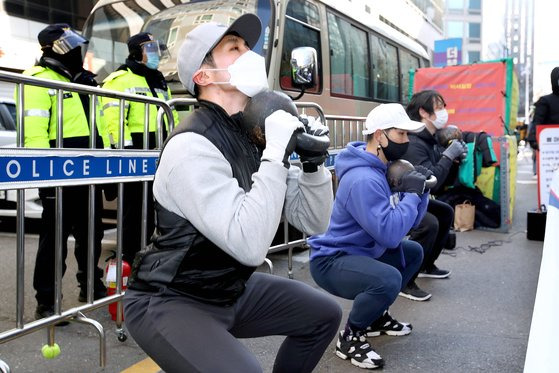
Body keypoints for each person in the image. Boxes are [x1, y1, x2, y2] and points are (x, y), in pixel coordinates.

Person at [122, 14, 342, 373]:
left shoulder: (252, 133)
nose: (249, 54)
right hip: (171, 299)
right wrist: (274, 154)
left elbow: (314, 222)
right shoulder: (192, 145)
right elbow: (248, 244)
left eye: (247, 47)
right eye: (234, 48)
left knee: (323, 315)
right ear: (203, 76)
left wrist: (314, 165)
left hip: (227, 289)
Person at [308, 103, 428, 370]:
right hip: (332, 261)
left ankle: (375, 318)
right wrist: (410, 194)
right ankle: (351, 336)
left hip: (361, 251)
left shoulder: (383, 168)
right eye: (401, 134)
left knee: (413, 253)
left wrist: (421, 192)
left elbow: (412, 223)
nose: (406, 141)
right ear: (379, 135)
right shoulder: (364, 179)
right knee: (388, 279)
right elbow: (391, 234)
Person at [20, 24, 107, 321]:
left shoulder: (86, 81)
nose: (76, 52)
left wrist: (107, 167)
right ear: (52, 48)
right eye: (69, 46)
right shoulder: (38, 80)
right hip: (60, 172)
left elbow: (101, 126)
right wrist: (45, 177)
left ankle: (90, 285)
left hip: (90, 170)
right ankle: (47, 300)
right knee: (54, 238)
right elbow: (34, 132)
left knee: (92, 233)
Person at [101, 32, 179, 264]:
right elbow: (114, 120)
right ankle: (129, 258)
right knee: (133, 211)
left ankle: (149, 257)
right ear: (137, 52)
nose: (156, 55)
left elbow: (169, 114)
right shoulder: (120, 79)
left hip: (159, 150)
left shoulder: (157, 78)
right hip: (135, 152)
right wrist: (127, 155)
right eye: (151, 49)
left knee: (155, 208)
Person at [399, 90, 461, 301]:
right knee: (429, 223)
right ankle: (404, 280)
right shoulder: (416, 141)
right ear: (424, 112)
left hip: (415, 195)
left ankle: (425, 264)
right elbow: (430, 182)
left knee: (445, 212)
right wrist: (447, 157)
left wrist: (453, 161)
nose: (444, 112)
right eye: (439, 107)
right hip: (400, 197)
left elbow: (443, 183)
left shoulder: (431, 139)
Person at [527, 66, 559, 172]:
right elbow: (537, 121)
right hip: (551, 149)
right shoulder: (545, 101)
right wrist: (532, 138)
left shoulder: (545, 100)